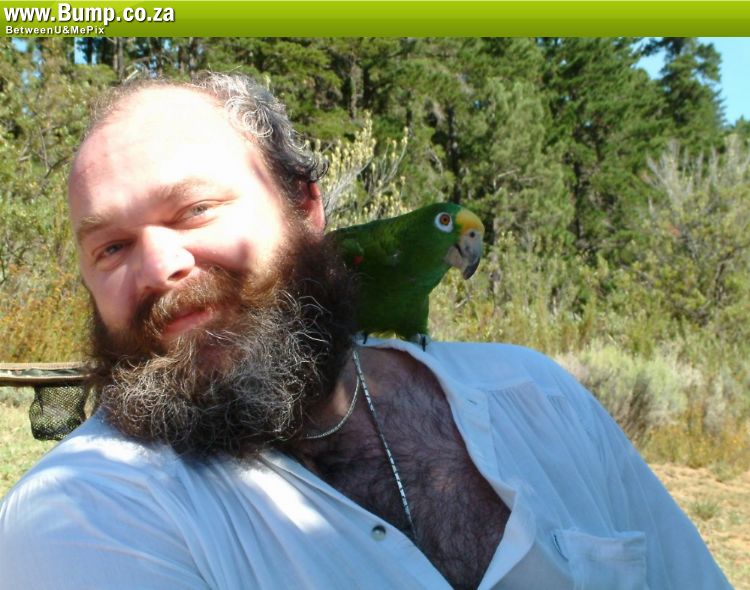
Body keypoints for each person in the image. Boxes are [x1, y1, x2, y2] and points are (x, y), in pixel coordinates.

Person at [0, 73, 730, 590]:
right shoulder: (84, 515)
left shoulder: (537, 395)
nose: (159, 267)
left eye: (193, 211)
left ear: (306, 208)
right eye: (111, 247)